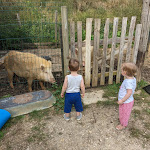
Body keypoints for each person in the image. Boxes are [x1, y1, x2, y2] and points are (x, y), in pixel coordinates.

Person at [116, 62, 137, 130]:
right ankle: (122, 120)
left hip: (126, 102)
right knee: (123, 112)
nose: (121, 71)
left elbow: (129, 92)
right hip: (127, 101)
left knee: (125, 114)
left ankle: (123, 125)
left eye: (122, 70)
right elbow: (131, 87)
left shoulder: (128, 82)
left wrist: (122, 100)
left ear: (125, 72)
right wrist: (122, 87)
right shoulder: (132, 79)